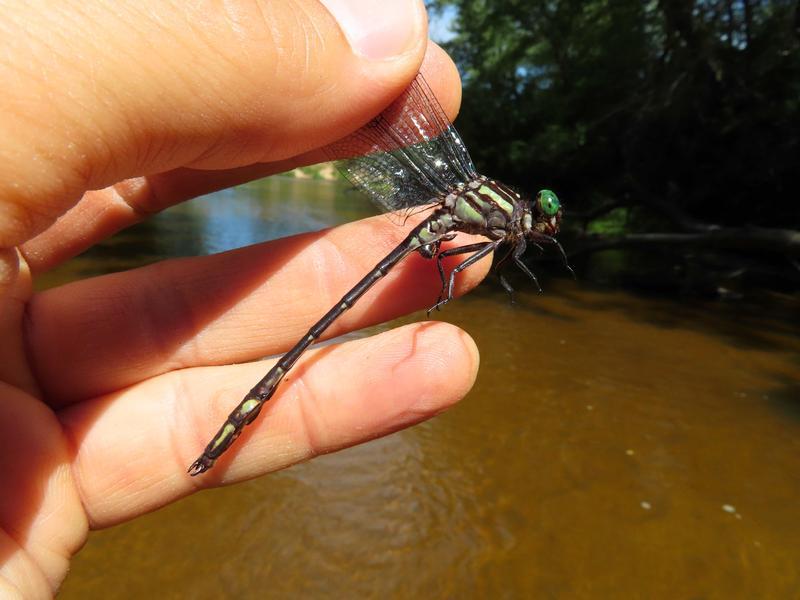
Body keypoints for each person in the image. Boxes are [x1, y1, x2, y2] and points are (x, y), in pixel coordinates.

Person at [0, 0, 488, 595]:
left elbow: (452, 255)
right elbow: (454, 257)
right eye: (540, 213)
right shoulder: (490, 211)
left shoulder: (483, 210)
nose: (538, 220)